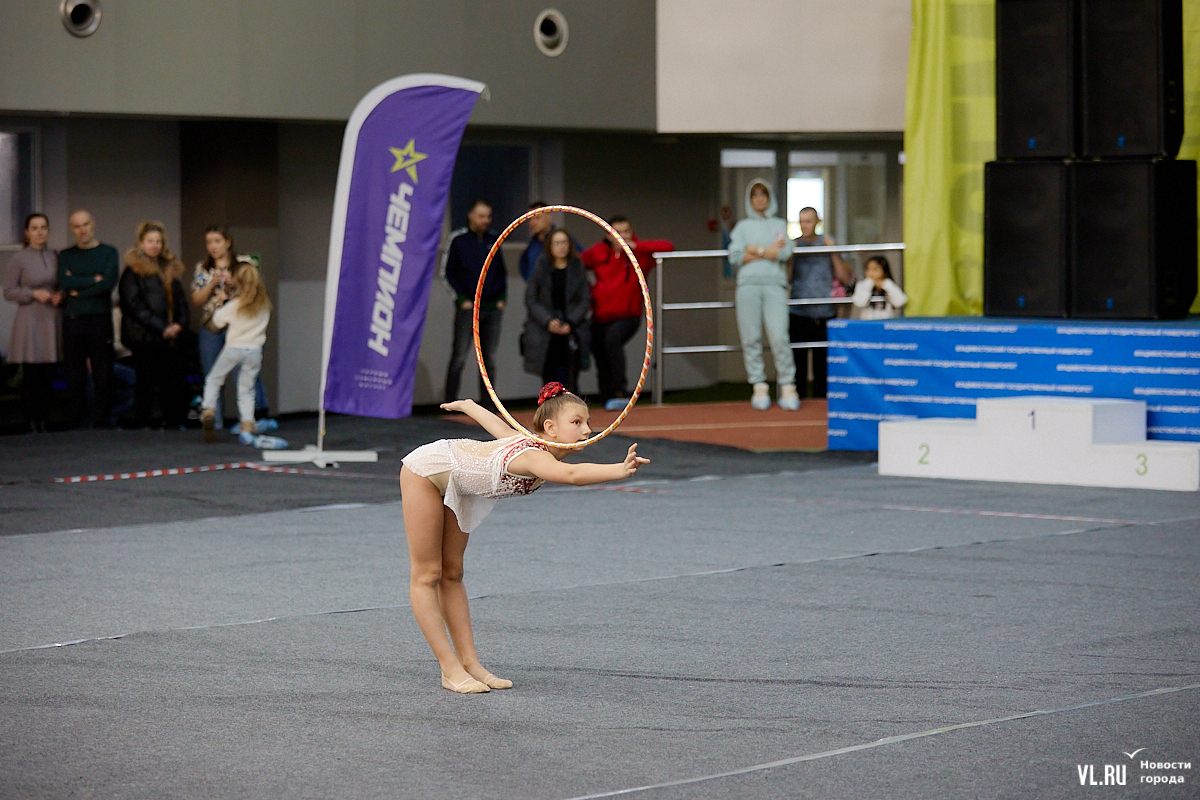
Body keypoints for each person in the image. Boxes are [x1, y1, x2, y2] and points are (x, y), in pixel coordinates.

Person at [400, 382, 650, 693]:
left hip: (460, 485)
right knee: (428, 574)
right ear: (550, 427)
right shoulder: (534, 456)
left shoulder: (530, 444)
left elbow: (499, 427)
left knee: (453, 573)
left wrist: (469, 406)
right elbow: (572, 476)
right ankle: (449, 668)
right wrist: (619, 470)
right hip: (428, 469)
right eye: (576, 422)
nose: (586, 430)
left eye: (587, 422)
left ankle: (470, 664)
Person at [581, 215, 672, 410]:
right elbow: (576, 262)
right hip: (600, 316)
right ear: (608, 235)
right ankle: (606, 395)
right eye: (617, 232)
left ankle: (620, 392)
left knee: (612, 342)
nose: (622, 236)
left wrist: (636, 247)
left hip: (628, 316)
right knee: (600, 351)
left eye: (626, 231)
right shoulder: (598, 252)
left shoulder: (640, 254)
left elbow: (668, 247)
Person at [199, 262, 287, 449]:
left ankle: (208, 410)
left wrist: (223, 301)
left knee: (214, 379)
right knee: (246, 390)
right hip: (254, 351)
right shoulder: (264, 305)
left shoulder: (235, 305)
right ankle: (247, 428)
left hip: (233, 348)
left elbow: (216, 322)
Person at [727, 181, 798, 411]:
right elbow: (736, 256)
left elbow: (785, 252)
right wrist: (768, 252)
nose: (759, 199)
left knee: (779, 336)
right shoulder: (742, 227)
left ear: (769, 198)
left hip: (775, 286)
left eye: (763, 195)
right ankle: (759, 386)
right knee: (751, 338)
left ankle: (788, 386)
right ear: (749, 199)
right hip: (747, 286)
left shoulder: (779, 224)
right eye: (754, 195)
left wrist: (754, 250)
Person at [190, 225, 269, 428]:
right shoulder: (203, 268)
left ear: (228, 242)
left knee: (243, 377)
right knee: (213, 374)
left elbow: (255, 291)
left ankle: (251, 420)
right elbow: (196, 299)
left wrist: (233, 283)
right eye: (209, 242)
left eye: (217, 241)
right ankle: (213, 421)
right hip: (213, 325)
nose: (213, 247)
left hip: (241, 326)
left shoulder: (244, 264)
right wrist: (211, 284)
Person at [118, 221, 191, 429]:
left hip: (172, 337)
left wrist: (180, 324)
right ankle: (144, 423)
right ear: (141, 243)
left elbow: (181, 302)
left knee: (173, 382)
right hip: (145, 336)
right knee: (146, 382)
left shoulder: (170, 269)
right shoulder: (132, 271)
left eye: (158, 241)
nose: (154, 245)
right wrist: (162, 327)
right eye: (150, 241)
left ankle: (174, 421)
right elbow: (133, 305)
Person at [57, 210, 119, 428]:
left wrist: (79, 291)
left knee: (104, 373)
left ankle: (102, 421)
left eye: (85, 224)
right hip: (73, 320)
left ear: (93, 225)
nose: (82, 230)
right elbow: (64, 284)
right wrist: (93, 279)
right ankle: (76, 421)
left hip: (100, 319)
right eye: (76, 226)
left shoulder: (109, 252)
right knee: (74, 373)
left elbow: (107, 284)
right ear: (72, 229)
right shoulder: (65, 255)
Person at [3, 213, 62, 432]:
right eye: (34, 228)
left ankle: (45, 419)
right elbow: (9, 291)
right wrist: (32, 293)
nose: (39, 232)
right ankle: (31, 422)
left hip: (52, 317)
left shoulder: (56, 255)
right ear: (27, 232)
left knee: (49, 373)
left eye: (43, 227)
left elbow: (63, 283)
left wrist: (60, 295)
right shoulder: (19, 258)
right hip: (30, 319)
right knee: (31, 374)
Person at [443, 199, 505, 404]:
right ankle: (449, 403)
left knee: (489, 360)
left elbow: (501, 272)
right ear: (471, 215)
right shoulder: (458, 240)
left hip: (492, 309)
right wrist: (461, 299)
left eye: (488, 216)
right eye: (481, 216)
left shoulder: (494, 239)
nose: (485, 220)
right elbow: (448, 273)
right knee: (459, 356)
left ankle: (489, 405)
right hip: (468, 307)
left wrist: (501, 299)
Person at [789, 206, 853, 398]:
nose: (804, 225)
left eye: (808, 221)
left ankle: (819, 407)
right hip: (798, 312)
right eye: (801, 221)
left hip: (824, 312)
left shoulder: (827, 242)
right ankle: (798, 404)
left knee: (822, 366)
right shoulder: (794, 246)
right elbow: (787, 279)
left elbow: (844, 277)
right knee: (798, 366)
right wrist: (790, 257)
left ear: (817, 222)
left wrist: (833, 251)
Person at [522, 229, 591, 395]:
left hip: (572, 327)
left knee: (571, 372)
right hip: (545, 328)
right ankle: (549, 407)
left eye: (565, 242)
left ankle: (572, 407)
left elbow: (585, 299)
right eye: (557, 243)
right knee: (549, 371)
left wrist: (571, 321)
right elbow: (531, 298)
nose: (561, 247)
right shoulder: (541, 266)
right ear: (549, 246)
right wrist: (547, 321)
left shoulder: (577, 266)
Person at [519, 201, 583, 282]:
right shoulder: (533, 243)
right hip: (537, 292)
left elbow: (581, 259)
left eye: (537, 218)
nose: (532, 223)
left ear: (548, 217)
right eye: (530, 219)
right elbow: (524, 266)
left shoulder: (562, 239)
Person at [852, 255, 908, 320]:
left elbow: (900, 302)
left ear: (884, 271)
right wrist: (869, 284)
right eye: (868, 269)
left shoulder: (889, 285)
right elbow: (860, 303)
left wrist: (886, 284)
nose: (871, 273)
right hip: (867, 324)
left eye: (875, 269)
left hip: (887, 323)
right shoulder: (862, 285)